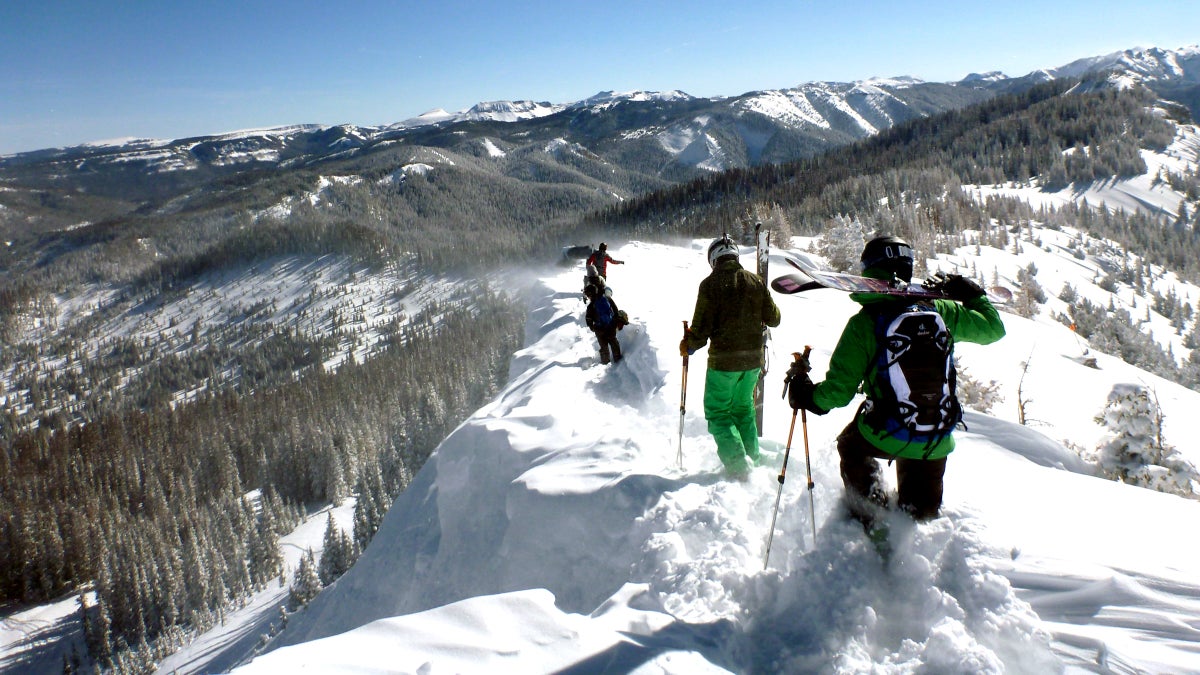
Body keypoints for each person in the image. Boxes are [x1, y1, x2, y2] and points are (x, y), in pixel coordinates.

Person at [786, 235, 1005, 534]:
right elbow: (994, 329)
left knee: (850, 445)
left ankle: (869, 515)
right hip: (936, 437)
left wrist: (809, 397)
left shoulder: (865, 324)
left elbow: (838, 393)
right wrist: (974, 294)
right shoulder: (942, 311)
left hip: (886, 431)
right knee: (921, 518)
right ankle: (914, 545)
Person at [681, 235, 781, 478]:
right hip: (752, 363)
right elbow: (775, 318)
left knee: (718, 413)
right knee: (743, 410)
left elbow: (701, 330)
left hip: (724, 364)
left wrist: (688, 344)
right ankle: (752, 459)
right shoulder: (755, 282)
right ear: (735, 255)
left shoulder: (710, 285)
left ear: (714, 259)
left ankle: (739, 468)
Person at [584, 283, 623, 365]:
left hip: (599, 329)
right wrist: (614, 321)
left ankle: (605, 362)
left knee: (604, 347)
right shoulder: (607, 298)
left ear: (590, 295)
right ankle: (618, 360)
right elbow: (615, 309)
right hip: (610, 326)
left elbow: (588, 319)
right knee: (613, 342)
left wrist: (593, 328)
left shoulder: (591, 306)